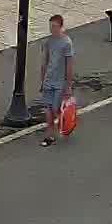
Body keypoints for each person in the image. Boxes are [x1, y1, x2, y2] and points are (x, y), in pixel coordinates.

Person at [39, 15, 75, 147]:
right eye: (50, 26)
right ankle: (50, 135)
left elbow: (69, 65)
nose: (51, 29)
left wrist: (69, 85)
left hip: (60, 81)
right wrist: (43, 80)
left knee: (55, 108)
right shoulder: (48, 42)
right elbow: (45, 62)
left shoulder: (66, 43)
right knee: (48, 108)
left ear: (60, 27)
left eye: (54, 26)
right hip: (49, 79)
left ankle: (66, 123)